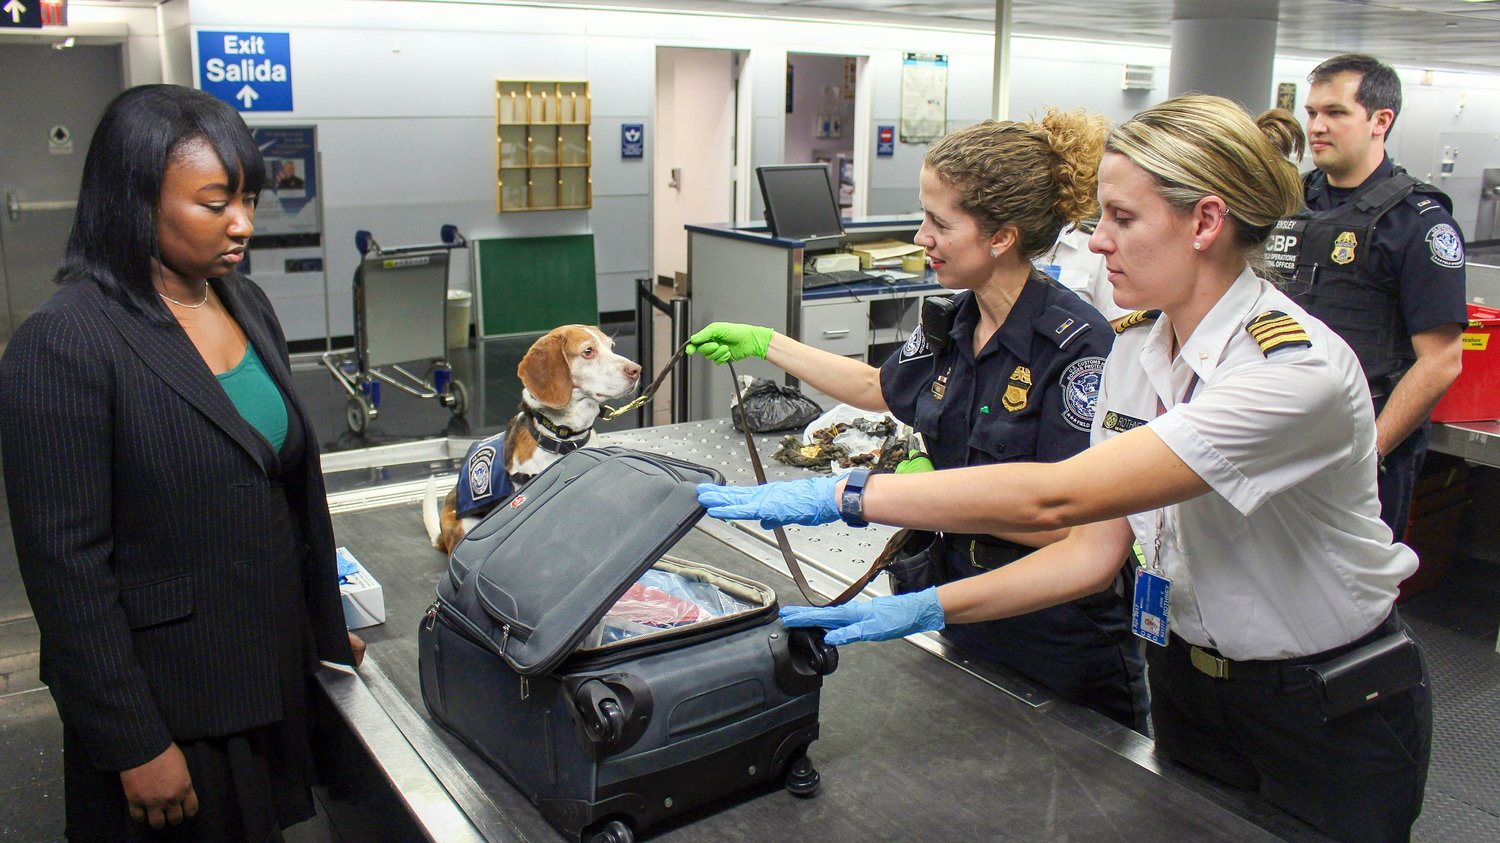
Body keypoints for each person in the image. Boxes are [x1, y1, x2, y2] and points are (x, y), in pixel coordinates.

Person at [697, 95, 1431, 843]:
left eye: (1121, 218)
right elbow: (1092, 548)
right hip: (1184, 683)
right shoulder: (1137, 354)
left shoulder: (1289, 371)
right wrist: (923, 610)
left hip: (1321, 705)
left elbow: (1057, 497)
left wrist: (848, 495)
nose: (1096, 241)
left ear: (1205, 222)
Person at [687, 111, 1149, 733]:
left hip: (1054, 635)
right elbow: (881, 387)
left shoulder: (1077, 348)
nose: (919, 236)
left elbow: (1071, 532)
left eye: (939, 222)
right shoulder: (952, 320)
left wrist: (903, 497)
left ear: (1001, 237)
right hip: (957, 600)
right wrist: (766, 342)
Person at [0, 85, 362, 841]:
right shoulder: (65, 343)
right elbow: (66, 571)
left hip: (266, 677)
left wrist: (320, 632)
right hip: (174, 709)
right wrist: (133, 739)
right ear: (136, 201)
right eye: (216, 202)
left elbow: (283, 493)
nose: (244, 224)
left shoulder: (244, 301)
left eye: (250, 199)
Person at [1265, 53, 1466, 537]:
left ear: (1381, 121)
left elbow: (1441, 360)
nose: (1316, 126)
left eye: (1336, 113)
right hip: (1281, 426)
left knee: (1353, 594)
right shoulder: (1288, 203)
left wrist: (1369, 452)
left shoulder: (1418, 223)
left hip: (1364, 440)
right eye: (1312, 113)